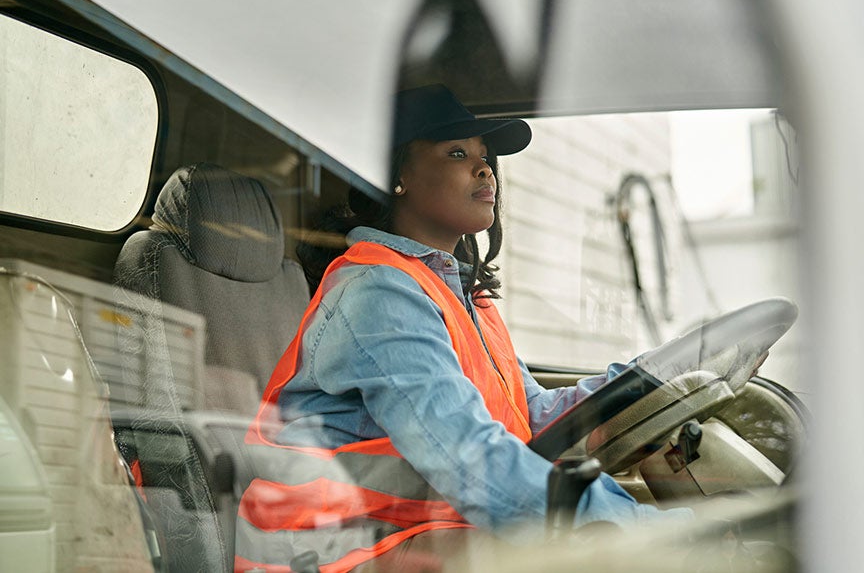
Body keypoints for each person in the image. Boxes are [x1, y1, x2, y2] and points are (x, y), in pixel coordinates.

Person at [234, 84, 689, 573]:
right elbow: (465, 454)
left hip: (415, 531)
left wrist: (648, 380)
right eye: (457, 152)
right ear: (397, 176)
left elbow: (530, 415)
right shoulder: (378, 293)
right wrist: (639, 529)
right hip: (332, 551)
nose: (484, 167)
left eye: (485, 155)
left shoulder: (464, 298)